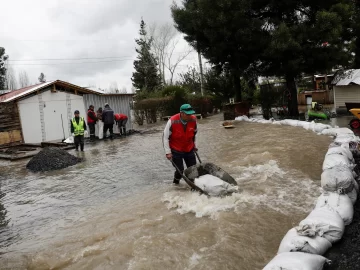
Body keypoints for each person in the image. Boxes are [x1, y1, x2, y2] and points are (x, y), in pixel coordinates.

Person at [163, 104, 198, 184]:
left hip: (189, 148)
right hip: (176, 149)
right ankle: (176, 183)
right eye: (187, 114)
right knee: (180, 170)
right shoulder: (172, 121)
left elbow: (195, 134)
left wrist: (195, 146)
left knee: (193, 169)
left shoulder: (193, 119)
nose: (190, 116)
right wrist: (168, 152)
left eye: (191, 114)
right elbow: (165, 137)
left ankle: (193, 185)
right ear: (181, 113)